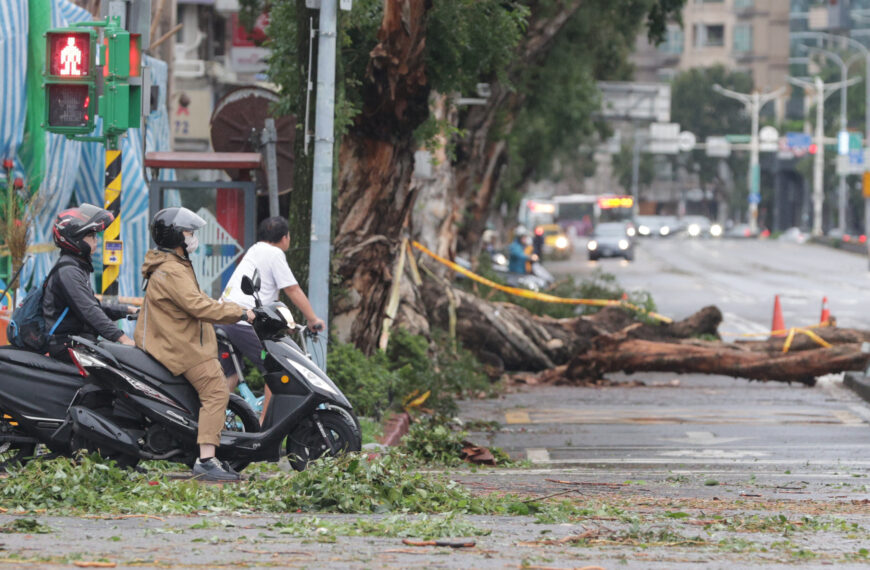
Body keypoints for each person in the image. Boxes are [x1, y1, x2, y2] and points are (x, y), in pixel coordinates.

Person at [134, 207, 255, 482]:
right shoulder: (173, 269)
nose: (192, 238)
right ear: (177, 235)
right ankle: (207, 460)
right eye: (189, 233)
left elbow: (195, 302)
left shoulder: (171, 264)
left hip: (174, 341)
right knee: (215, 389)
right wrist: (240, 312)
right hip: (179, 346)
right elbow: (199, 306)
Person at [217, 216, 325, 423]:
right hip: (242, 321)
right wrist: (313, 319)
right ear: (285, 238)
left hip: (224, 317)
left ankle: (211, 424)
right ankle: (264, 427)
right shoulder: (275, 253)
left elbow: (266, 296)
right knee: (278, 368)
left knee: (228, 375)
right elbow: (292, 289)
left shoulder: (255, 249)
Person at [43, 204, 137, 362]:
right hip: (66, 345)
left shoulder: (76, 266)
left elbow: (92, 304)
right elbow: (89, 310)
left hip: (79, 341)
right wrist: (123, 339)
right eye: (91, 236)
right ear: (75, 239)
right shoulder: (68, 272)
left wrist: (129, 310)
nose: (96, 240)